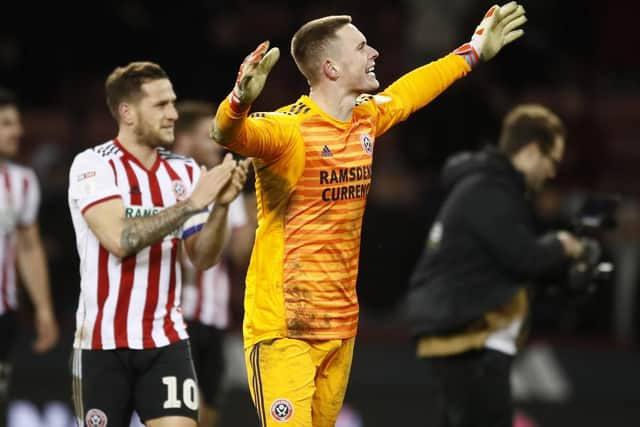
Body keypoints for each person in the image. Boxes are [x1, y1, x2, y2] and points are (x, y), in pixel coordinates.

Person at [209, 3, 527, 426]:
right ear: (332, 68)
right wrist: (238, 101)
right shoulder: (288, 131)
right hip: (285, 329)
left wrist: (471, 52)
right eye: (361, 47)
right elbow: (228, 134)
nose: (374, 52)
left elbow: (415, 89)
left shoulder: (365, 119)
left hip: (340, 326)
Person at [67, 62, 248, 427]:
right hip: (102, 343)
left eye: (173, 103)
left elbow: (203, 258)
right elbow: (120, 239)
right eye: (161, 105)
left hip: (166, 340)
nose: (173, 114)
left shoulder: (185, 172)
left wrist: (221, 209)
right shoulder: (93, 166)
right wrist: (193, 205)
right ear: (127, 112)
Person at [406, 104, 586, 427]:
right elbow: (523, 257)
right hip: (470, 340)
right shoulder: (490, 190)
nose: (553, 172)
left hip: (466, 336)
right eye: (552, 161)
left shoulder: (489, 187)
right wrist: (562, 244)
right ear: (532, 151)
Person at [173, 100, 254, 427]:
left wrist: (253, 210)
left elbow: (238, 254)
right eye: (209, 135)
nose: (217, 142)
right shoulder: (168, 183)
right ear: (186, 138)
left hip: (215, 317)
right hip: (176, 316)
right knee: (175, 411)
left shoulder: (224, 184)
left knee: (208, 410)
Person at [0, 87, 59, 418]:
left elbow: (29, 247)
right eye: (7, 123)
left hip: (3, 316)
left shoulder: (22, 182)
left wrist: (43, 309)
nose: (18, 131)